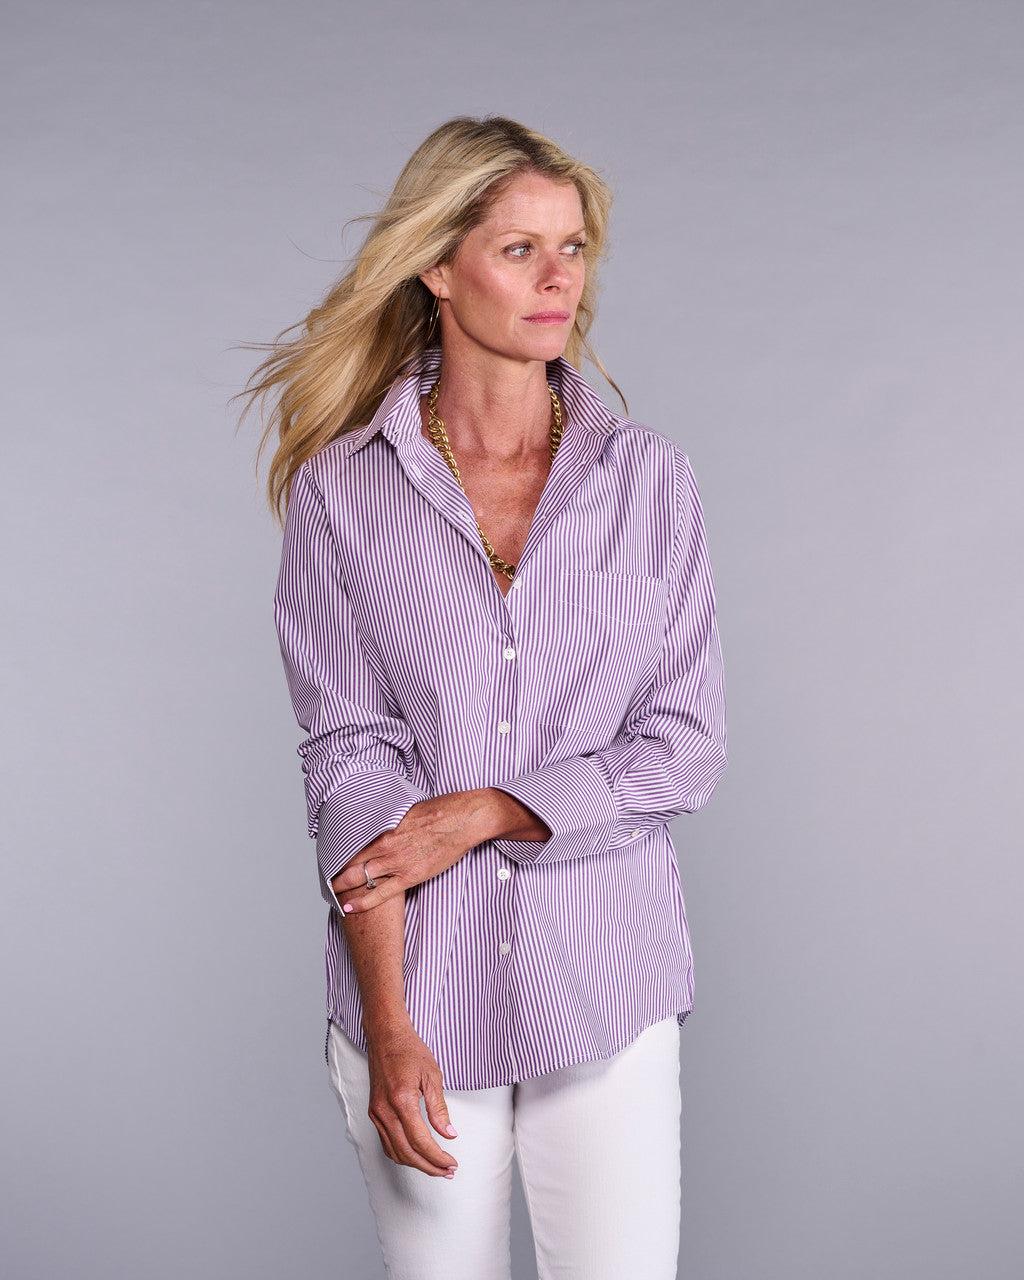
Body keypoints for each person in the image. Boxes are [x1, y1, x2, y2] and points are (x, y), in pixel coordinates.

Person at [246, 115, 727, 1280]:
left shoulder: (649, 481)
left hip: (604, 983)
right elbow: (349, 759)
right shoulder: (342, 493)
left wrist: (488, 809)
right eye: (520, 249)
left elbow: (684, 745)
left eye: (572, 247)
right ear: (437, 265)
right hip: (421, 992)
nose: (560, 277)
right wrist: (390, 1023)